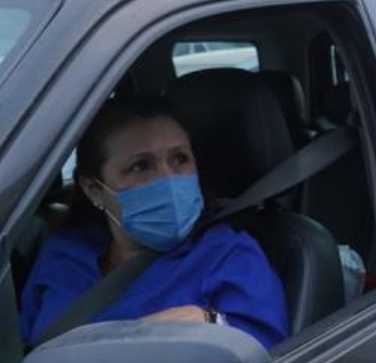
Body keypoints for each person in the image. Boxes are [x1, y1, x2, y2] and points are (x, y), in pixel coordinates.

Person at [19, 95, 289, 349]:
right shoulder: (64, 254)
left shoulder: (228, 254)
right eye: (140, 166)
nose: (167, 178)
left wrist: (210, 322)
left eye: (179, 159)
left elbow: (264, 347)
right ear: (94, 190)